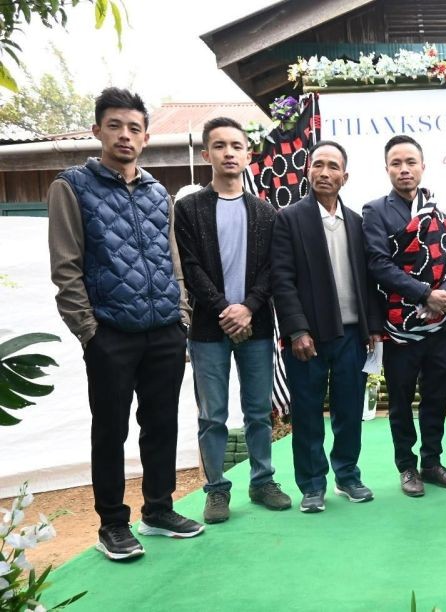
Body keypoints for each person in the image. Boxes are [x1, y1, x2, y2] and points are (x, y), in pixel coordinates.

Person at [47, 87, 204, 562]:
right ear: (97, 131)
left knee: (161, 426)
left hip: (163, 331)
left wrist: (181, 316)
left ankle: (158, 510)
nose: (125, 135)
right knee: (110, 431)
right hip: (110, 334)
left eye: (134, 128)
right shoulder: (71, 186)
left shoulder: (160, 193)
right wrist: (89, 333)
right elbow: (65, 267)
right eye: (115, 125)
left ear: (147, 137)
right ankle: (113, 524)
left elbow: (173, 259)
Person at [174, 117, 291, 524]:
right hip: (209, 329)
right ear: (207, 154)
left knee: (258, 411)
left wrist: (248, 308)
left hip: (256, 327)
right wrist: (226, 309)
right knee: (213, 415)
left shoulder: (265, 211)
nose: (228, 153)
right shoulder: (189, 208)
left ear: (248, 154)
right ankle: (217, 490)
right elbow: (190, 266)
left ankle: (262, 482)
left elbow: (273, 270)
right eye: (219, 146)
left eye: (236, 146)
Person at [270, 140, 383, 513]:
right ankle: (312, 485)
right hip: (308, 339)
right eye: (318, 165)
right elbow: (282, 280)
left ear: (344, 176)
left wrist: (372, 328)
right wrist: (297, 330)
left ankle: (348, 476)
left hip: (352, 335)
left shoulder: (355, 221)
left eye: (333, 167)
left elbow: (368, 280)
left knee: (350, 411)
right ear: (308, 170)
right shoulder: (289, 219)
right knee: (306, 412)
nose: (325, 173)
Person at [361, 135, 446, 497]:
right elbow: (378, 264)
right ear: (387, 168)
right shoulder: (375, 211)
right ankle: (407, 467)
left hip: (439, 324)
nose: (404, 169)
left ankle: (432, 462)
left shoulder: (436, 211)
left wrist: (444, 296)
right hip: (398, 326)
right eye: (396, 163)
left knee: (437, 396)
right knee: (402, 400)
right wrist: (424, 294)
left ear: (423, 166)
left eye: (410, 162)